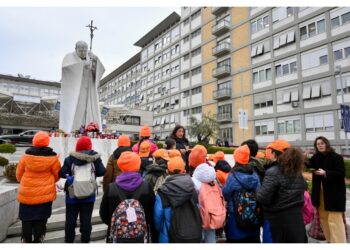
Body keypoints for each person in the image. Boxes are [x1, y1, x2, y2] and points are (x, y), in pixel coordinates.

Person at [256, 140, 307, 243]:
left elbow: (263, 198)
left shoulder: (273, 171)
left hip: (278, 220)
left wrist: (256, 190)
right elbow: (304, 187)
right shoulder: (296, 170)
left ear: (275, 154)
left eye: (270, 152)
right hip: (296, 219)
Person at [99, 151, 156, 243]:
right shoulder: (146, 187)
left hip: (117, 236)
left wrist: (116, 224)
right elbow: (151, 213)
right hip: (140, 237)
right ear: (138, 165)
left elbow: (103, 214)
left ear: (120, 166)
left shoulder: (111, 188)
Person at [16, 131, 61, 243]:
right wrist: (48, 182)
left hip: (27, 193)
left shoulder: (25, 156)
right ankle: (39, 239)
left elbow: (18, 175)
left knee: (26, 218)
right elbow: (57, 175)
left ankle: (26, 239)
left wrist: (27, 183)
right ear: (47, 142)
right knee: (41, 218)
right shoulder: (53, 158)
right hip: (45, 194)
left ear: (34, 141)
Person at [59, 136, 106, 243]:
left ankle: (69, 241)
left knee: (70, 220)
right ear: (90, 146)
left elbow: (61, 173)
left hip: (72, 195)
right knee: (86, 220)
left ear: (78, 146)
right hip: (89, 194)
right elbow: (102, 171)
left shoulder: (70, 158)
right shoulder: (95, 158)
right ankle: (85, 240)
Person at [60, 40, 105, 133]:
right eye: (81, 51)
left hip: (89, 89)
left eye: (85, 50)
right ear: (75, 49)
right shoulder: (69, 57)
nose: (83, 53)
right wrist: (83, 65)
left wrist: (96, 60)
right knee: (77, 109)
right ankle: (74, 129)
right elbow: (66, 70)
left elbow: (98, 73)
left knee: (89, 108)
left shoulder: (90, 57)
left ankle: (91, 128)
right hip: (76, 91)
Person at [308, 136, 346, 243]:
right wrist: (303, 156)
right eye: (318, 144)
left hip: (334, 194)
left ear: (326, 144)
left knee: (334, 219)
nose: (320, 145)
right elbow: (307, 164)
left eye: (322, 143)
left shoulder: (336, 157)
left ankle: (339, 243)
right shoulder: (316, 157)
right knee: (323, 217)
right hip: (320, 193)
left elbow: (341, 173)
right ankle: (330, 240)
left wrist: (326, 173)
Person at [154, 157, 199, 243]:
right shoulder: (193, 188)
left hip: (169, 235)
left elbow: (158, 218)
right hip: (192, 234)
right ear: (184, 171)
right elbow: (198, 209)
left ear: (167, 171)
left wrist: (162, 231)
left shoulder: (163, 191)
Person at [222, 145, 261, 243]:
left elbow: (225, 194)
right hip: (253, 219)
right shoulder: (254, 175)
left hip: (236, 220)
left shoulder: (232, 177)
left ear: (236, 159)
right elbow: (259, 193)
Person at [192, 162, 218, 243]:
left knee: (199, 236)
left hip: (198, 214)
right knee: (210, 235)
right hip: (212, 214)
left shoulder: (193, 183)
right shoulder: (213, 183)